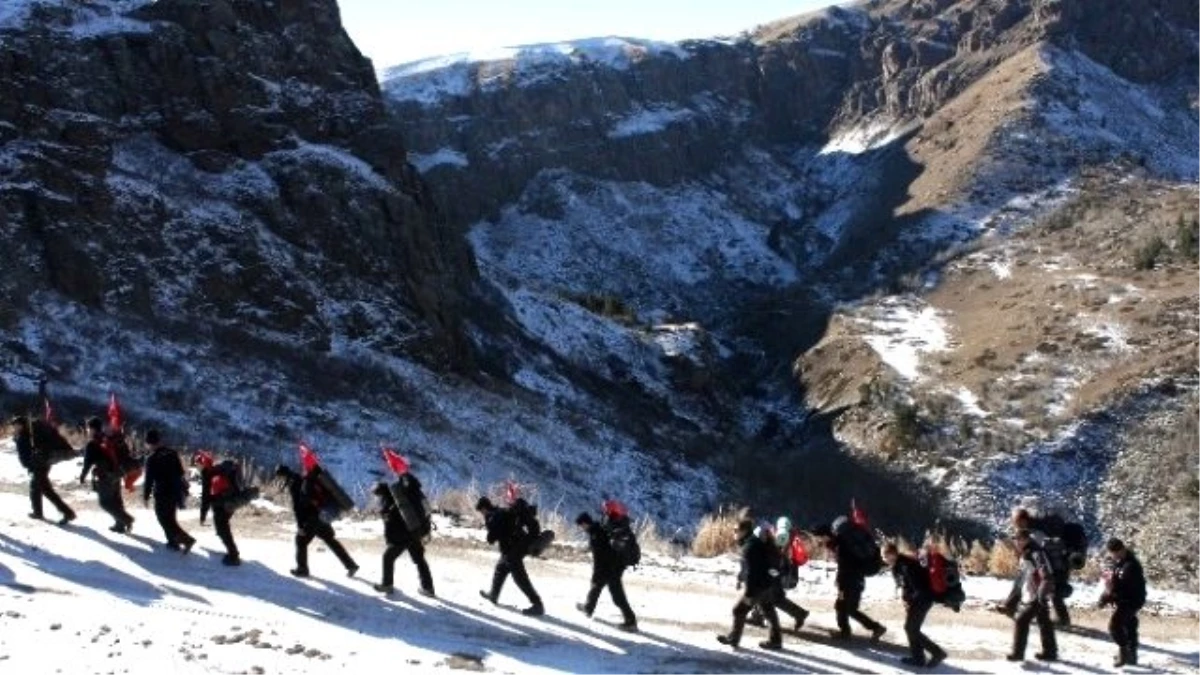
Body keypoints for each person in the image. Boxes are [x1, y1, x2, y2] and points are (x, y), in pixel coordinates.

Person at [274, 465, 358, 578]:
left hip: (312, 518)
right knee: (330, 540)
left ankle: (302, 569)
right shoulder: (301, 478)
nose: (280, 480)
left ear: (282, 475)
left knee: (300, 541)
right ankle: (350, 565)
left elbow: (297, 507)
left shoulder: (293, 483)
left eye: (279, 477)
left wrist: (300, 526)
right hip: (321, 514)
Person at [813, 521, 887, 642]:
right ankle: (874, 628)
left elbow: (845, 567)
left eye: (820, 538)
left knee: (841, 607)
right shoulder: (843, 543)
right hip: (857, 581)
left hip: (850, 582)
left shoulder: (842, 545)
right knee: (850, 609)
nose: (820, 541)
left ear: (826, 536)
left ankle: (847, 632)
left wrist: (840, 583)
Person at [717, 519, 783, 650]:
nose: (733, 533)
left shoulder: (750, 546)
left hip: (758, 585)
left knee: (738, 610)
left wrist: (749, 594)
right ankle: (776, 640)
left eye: (736, 530)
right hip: (767, 583)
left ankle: (734, 639)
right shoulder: (753, 542)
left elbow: (752, 572)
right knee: (768, 610)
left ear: (744, 531)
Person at [476, 496, 544, 616]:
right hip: (514, 547)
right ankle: (493, 595)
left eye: (481, 511)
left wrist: (489, 531)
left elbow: (492, 538)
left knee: (520, 578)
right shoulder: (500, 511)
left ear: (484, 508)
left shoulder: (494, 517)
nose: (482, 514)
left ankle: (537, 604)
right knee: (500, 568)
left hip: (514, 549)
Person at [884, 543, 947, 667]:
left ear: (892, 554)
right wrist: (906, 599)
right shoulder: (899, 564)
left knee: (910, 628)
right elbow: (906, 585)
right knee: (912, 629)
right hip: (918, 600)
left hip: (923, 599)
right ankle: (918, 659)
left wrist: (910, 601)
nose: (884, 559)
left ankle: (937, 652)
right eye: (883, 557)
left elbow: (918, 587)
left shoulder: (905, 565)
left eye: (885, 556)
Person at [575, 511, 637, 631]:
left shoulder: (596, 533)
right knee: (596, 587)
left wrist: (597, 571)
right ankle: (588, 608)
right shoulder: (597, 530)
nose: (581, 528)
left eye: (581, 525)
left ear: (584, 523)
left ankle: (631, 622)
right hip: (612, 566)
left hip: (611, 568)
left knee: (617, 596)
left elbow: (602, 555)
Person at [372, 479, 435, 597]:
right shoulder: (406, 494)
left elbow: (391, 522)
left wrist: (391, 540)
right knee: (419, 559)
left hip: (403, 535)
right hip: (415, 530)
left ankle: (387, 584)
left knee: (388, 557)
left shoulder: (390, 499)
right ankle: (428, 588)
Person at [1012, 508, 1073, 626]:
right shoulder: (1036, 528)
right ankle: (1056, 619)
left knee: (1054, 591)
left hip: (1053, 564)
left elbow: (1039, 551)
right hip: (1055, 563)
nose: (1017, 525)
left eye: (1017, 522)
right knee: (1051, 591)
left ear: (1024, 520)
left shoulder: (1034, 532)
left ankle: (1061, 620)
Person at [1004, 529, 1058, 663]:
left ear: (1025, 539)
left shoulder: (1036, 552)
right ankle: (1050, 651)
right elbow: (1021, 579)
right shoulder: (1027, 553)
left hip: (1038, 594)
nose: (1015, 542)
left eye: (1017, 539)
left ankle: (1018, 654)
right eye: (1015, 539)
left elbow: (1046, 574)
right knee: (1044, 621)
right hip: (1036, 593)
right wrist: (1010, 601)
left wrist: (1041, 594)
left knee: (1021, 620)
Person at [748, 517, 810, 633]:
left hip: (783, 575)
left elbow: (779, 562)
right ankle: (799, 614)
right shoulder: (792, 538)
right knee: (774, 597)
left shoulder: (783, 539)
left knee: (766, 594)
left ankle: (758, 618)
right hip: (785, 575)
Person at [11, 416, 75, 524]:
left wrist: (32, 462)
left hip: (39, 465)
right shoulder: (28, 434)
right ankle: (41, 512)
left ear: (21, 425)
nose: (14, 428)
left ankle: (66, 513)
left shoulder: (26, 435)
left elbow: (26, 453)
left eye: (15, 425)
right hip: (41, 463)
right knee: (43, 489)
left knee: (39, 489)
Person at [142, 429, 195, 553]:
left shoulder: (151, 459)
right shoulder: (172, 453)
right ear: (159, 441)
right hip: (175, 491)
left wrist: (145, 497)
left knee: (163, 519)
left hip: (162, 492)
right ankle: (173, 542)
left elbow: (149, 480)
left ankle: (186, 540)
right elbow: (181, 472)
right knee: (170, 518)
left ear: (149, 443)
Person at [79, 417, 134, 533]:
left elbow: (87, 463)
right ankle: (120, 525)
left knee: (104, 502)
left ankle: (126, 519)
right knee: (116, 500)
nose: (87, 430)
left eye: (88, 428)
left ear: (92, 429)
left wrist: (82, 476)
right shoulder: (108, 438)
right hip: (117, 474)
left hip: (105, 477)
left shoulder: (92, 443)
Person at [1099, 538, 1146, 668]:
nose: (1115, 555)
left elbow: (1124, 587)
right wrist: (1105, 596)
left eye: (1117, 552)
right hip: (1124, 599)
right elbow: (1113, 583)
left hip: (1131, 600)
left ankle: (1124, 652)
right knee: (1130, 625)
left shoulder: (1131, 566)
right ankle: (1131, 655)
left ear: (1122, 549)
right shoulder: (1118, 563)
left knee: (1115, 626)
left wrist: (1110, 597)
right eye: (1112, 553)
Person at [195, 452, 241, 566]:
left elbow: (206, 497)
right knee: (222, 527)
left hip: (222, 505)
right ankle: (231, 549)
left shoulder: (207, 473)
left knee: (222, 528)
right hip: (231, 501)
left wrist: (202, 516)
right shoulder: (217, 469)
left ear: (203, 464)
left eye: (198, 464)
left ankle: (233, 555)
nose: (197, 467)